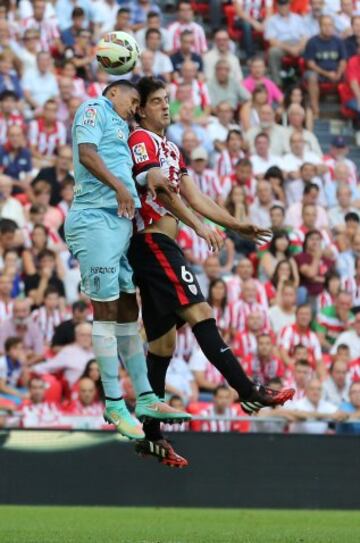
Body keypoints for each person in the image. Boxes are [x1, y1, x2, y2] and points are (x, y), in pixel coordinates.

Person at [127, 77, 294, 466]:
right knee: (201, 312)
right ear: (141, 109)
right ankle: (247, 389)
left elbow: (195, 196)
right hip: (153, 242)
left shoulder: (169, 147)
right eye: (156, 101)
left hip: (159, 245)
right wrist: (199, 227)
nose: (165, 107)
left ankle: (152, 436)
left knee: (163, 344)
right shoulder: (142, 141)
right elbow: (163, 192)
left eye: (167, 100)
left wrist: (237, 225)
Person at [64, 79, 187, 440]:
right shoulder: (94, 108)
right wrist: (120, 186)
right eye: (134, 100)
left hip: (118, 225)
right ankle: (115, 404)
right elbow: (86, 153)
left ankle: (145, 396)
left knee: (128, 311)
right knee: (104, 311)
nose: (136, 108)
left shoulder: (122, 126)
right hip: (95, 218)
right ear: (113, 93)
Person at [304, 15, 347, 117]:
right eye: (325, 25)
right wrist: (327, 74)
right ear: (319, 26)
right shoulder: (312, 42)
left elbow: (343, 60)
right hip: (319, 72)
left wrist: (339, 73)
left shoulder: (338, 41)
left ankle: (349, 107)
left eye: (330, 25)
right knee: (311, 76)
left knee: (352, 75)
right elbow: (310, 64)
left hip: (336, 72)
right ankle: (315, 109)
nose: (328, 27)